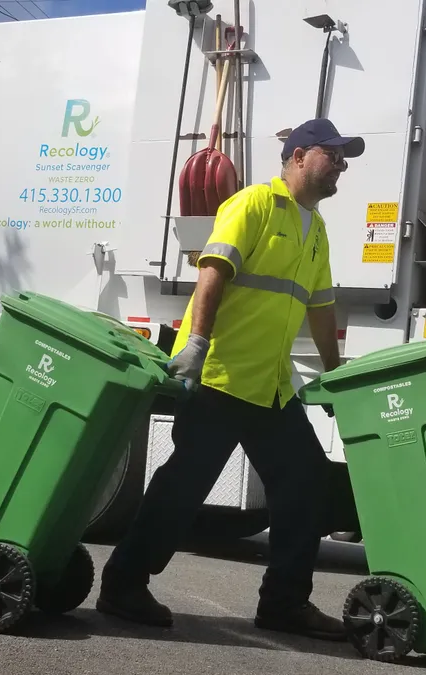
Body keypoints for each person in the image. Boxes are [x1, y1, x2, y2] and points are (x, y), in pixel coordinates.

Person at [97, 118, 364, 641]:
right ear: (299, 155)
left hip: (270, 385)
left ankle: (284, 603)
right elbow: (214, 271)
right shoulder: (252, 205)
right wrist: (195, 345)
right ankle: (123, 584)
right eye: (332, 155)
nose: (340, 166)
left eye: (344, 159)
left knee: (306, 481)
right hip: (220, 374)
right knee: (185, 485)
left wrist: (335, 376)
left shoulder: (317, 229)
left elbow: (321, 307)